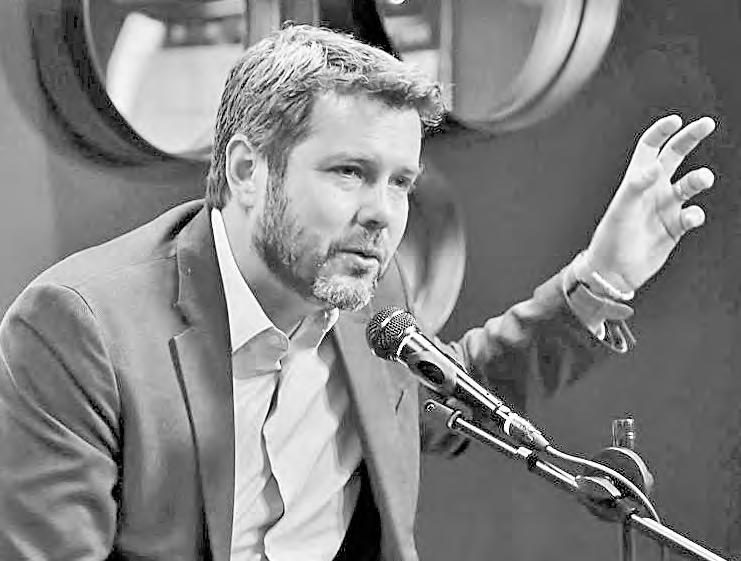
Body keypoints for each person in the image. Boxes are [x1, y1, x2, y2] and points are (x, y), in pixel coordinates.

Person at [0, 24, 717, 561]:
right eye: (349, 172)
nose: (384, 214)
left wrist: (601, 279)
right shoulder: (78, 327)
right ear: (248, 171)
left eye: (400, 182)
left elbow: (454, 398)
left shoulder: (367, 291)